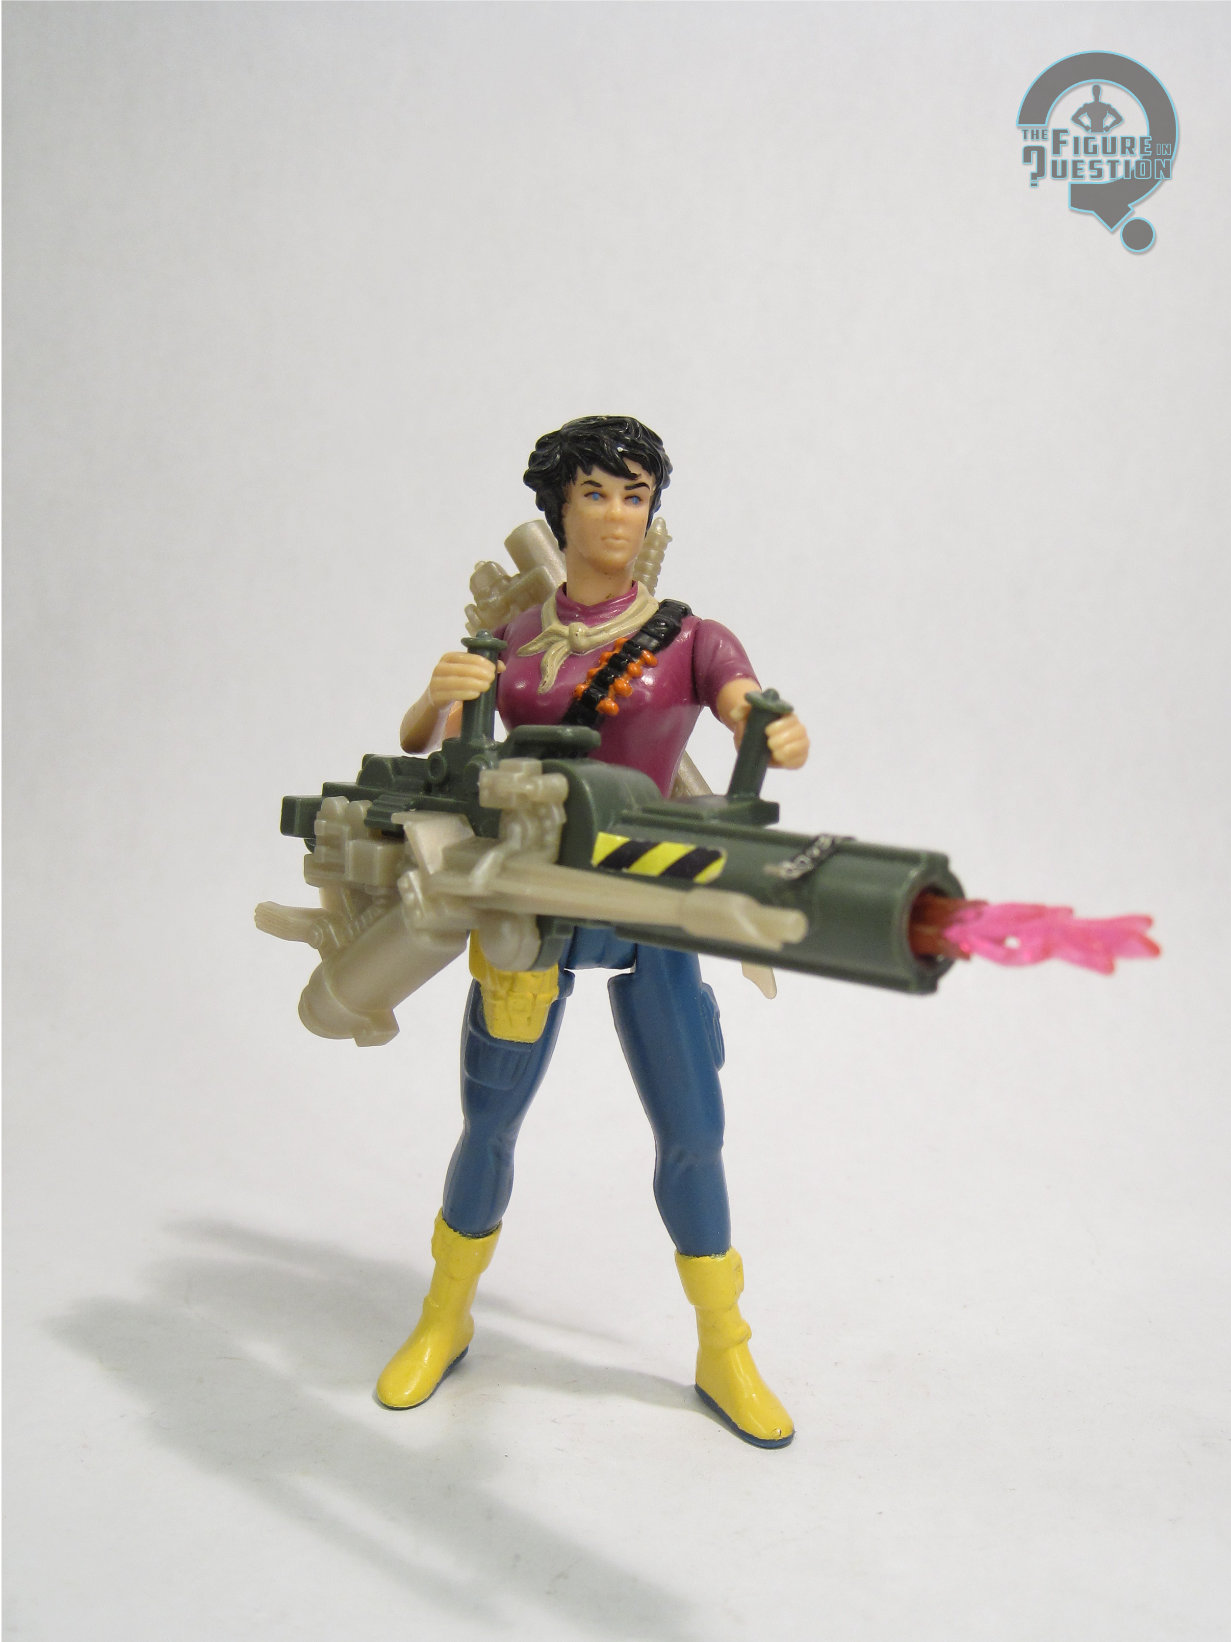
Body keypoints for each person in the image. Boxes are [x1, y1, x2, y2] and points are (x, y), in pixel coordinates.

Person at [379, 416, 810, 1446]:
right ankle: (443, 1315)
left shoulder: (692, 638)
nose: (618, 515)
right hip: (529, 903)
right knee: (489, 1123)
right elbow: (423, 745)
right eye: (595, 494)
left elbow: (746, 707)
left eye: (634, 495)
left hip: (652, 903)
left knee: (692, 1132)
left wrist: (774, 727)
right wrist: (435, 697)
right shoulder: (514, 638)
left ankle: (724, 1345)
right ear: (558, 509)